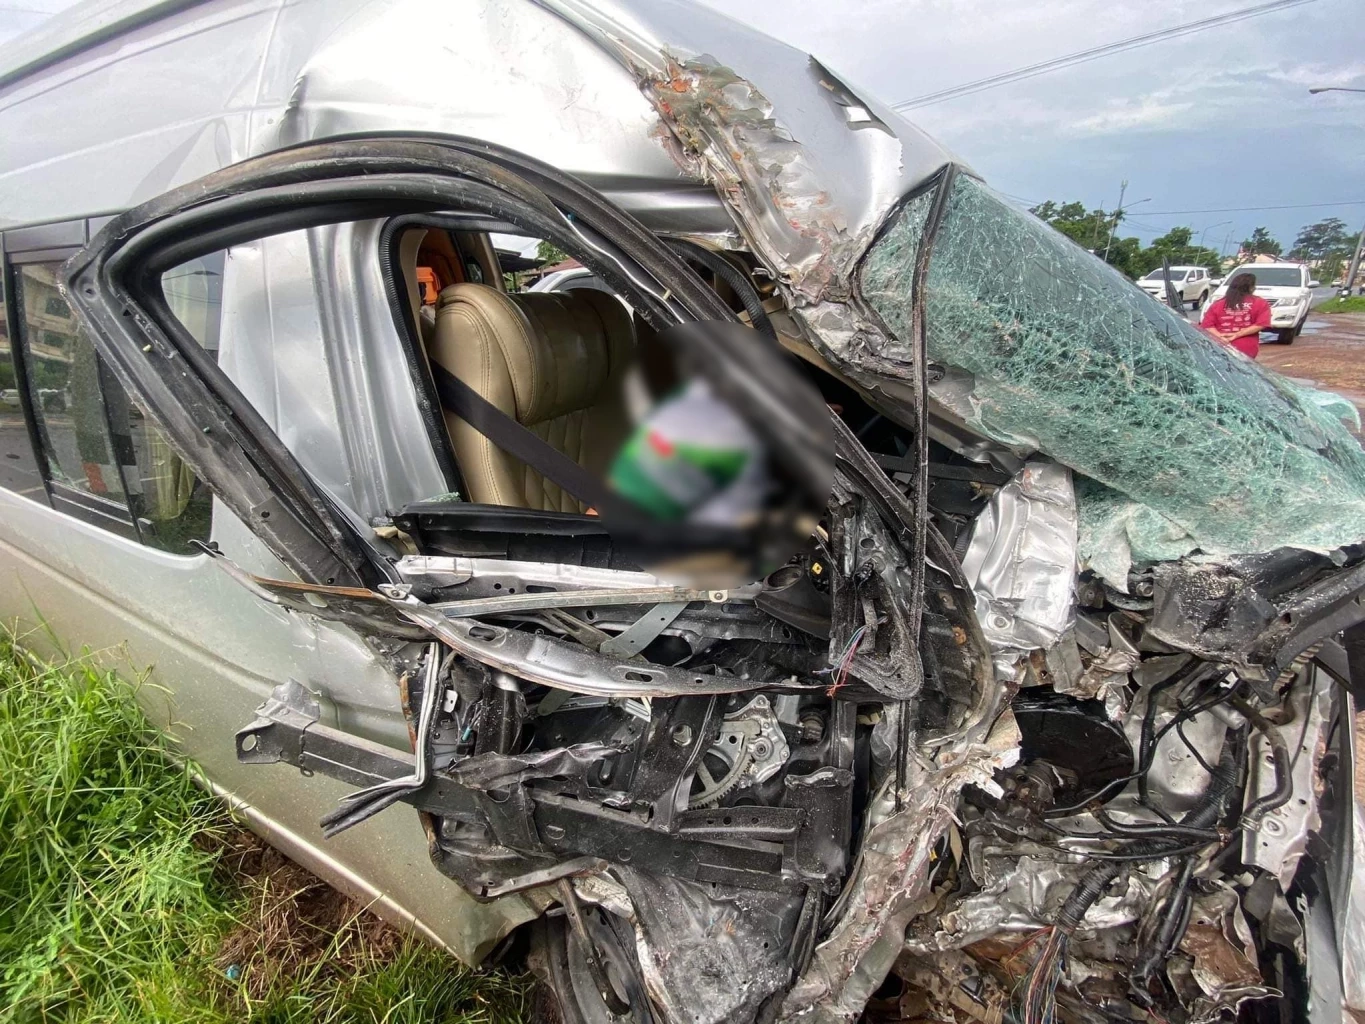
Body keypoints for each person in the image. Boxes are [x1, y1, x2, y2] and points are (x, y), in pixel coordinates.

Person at [1200, 272, 1271, 359]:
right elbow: (1261, 324)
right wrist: (1237, 334)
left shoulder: (1218, 304)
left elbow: (1207, 325)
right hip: (1246, 348)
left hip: (1219, 347)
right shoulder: (1260, 303)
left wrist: (1221, 338)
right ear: (1251, 288)